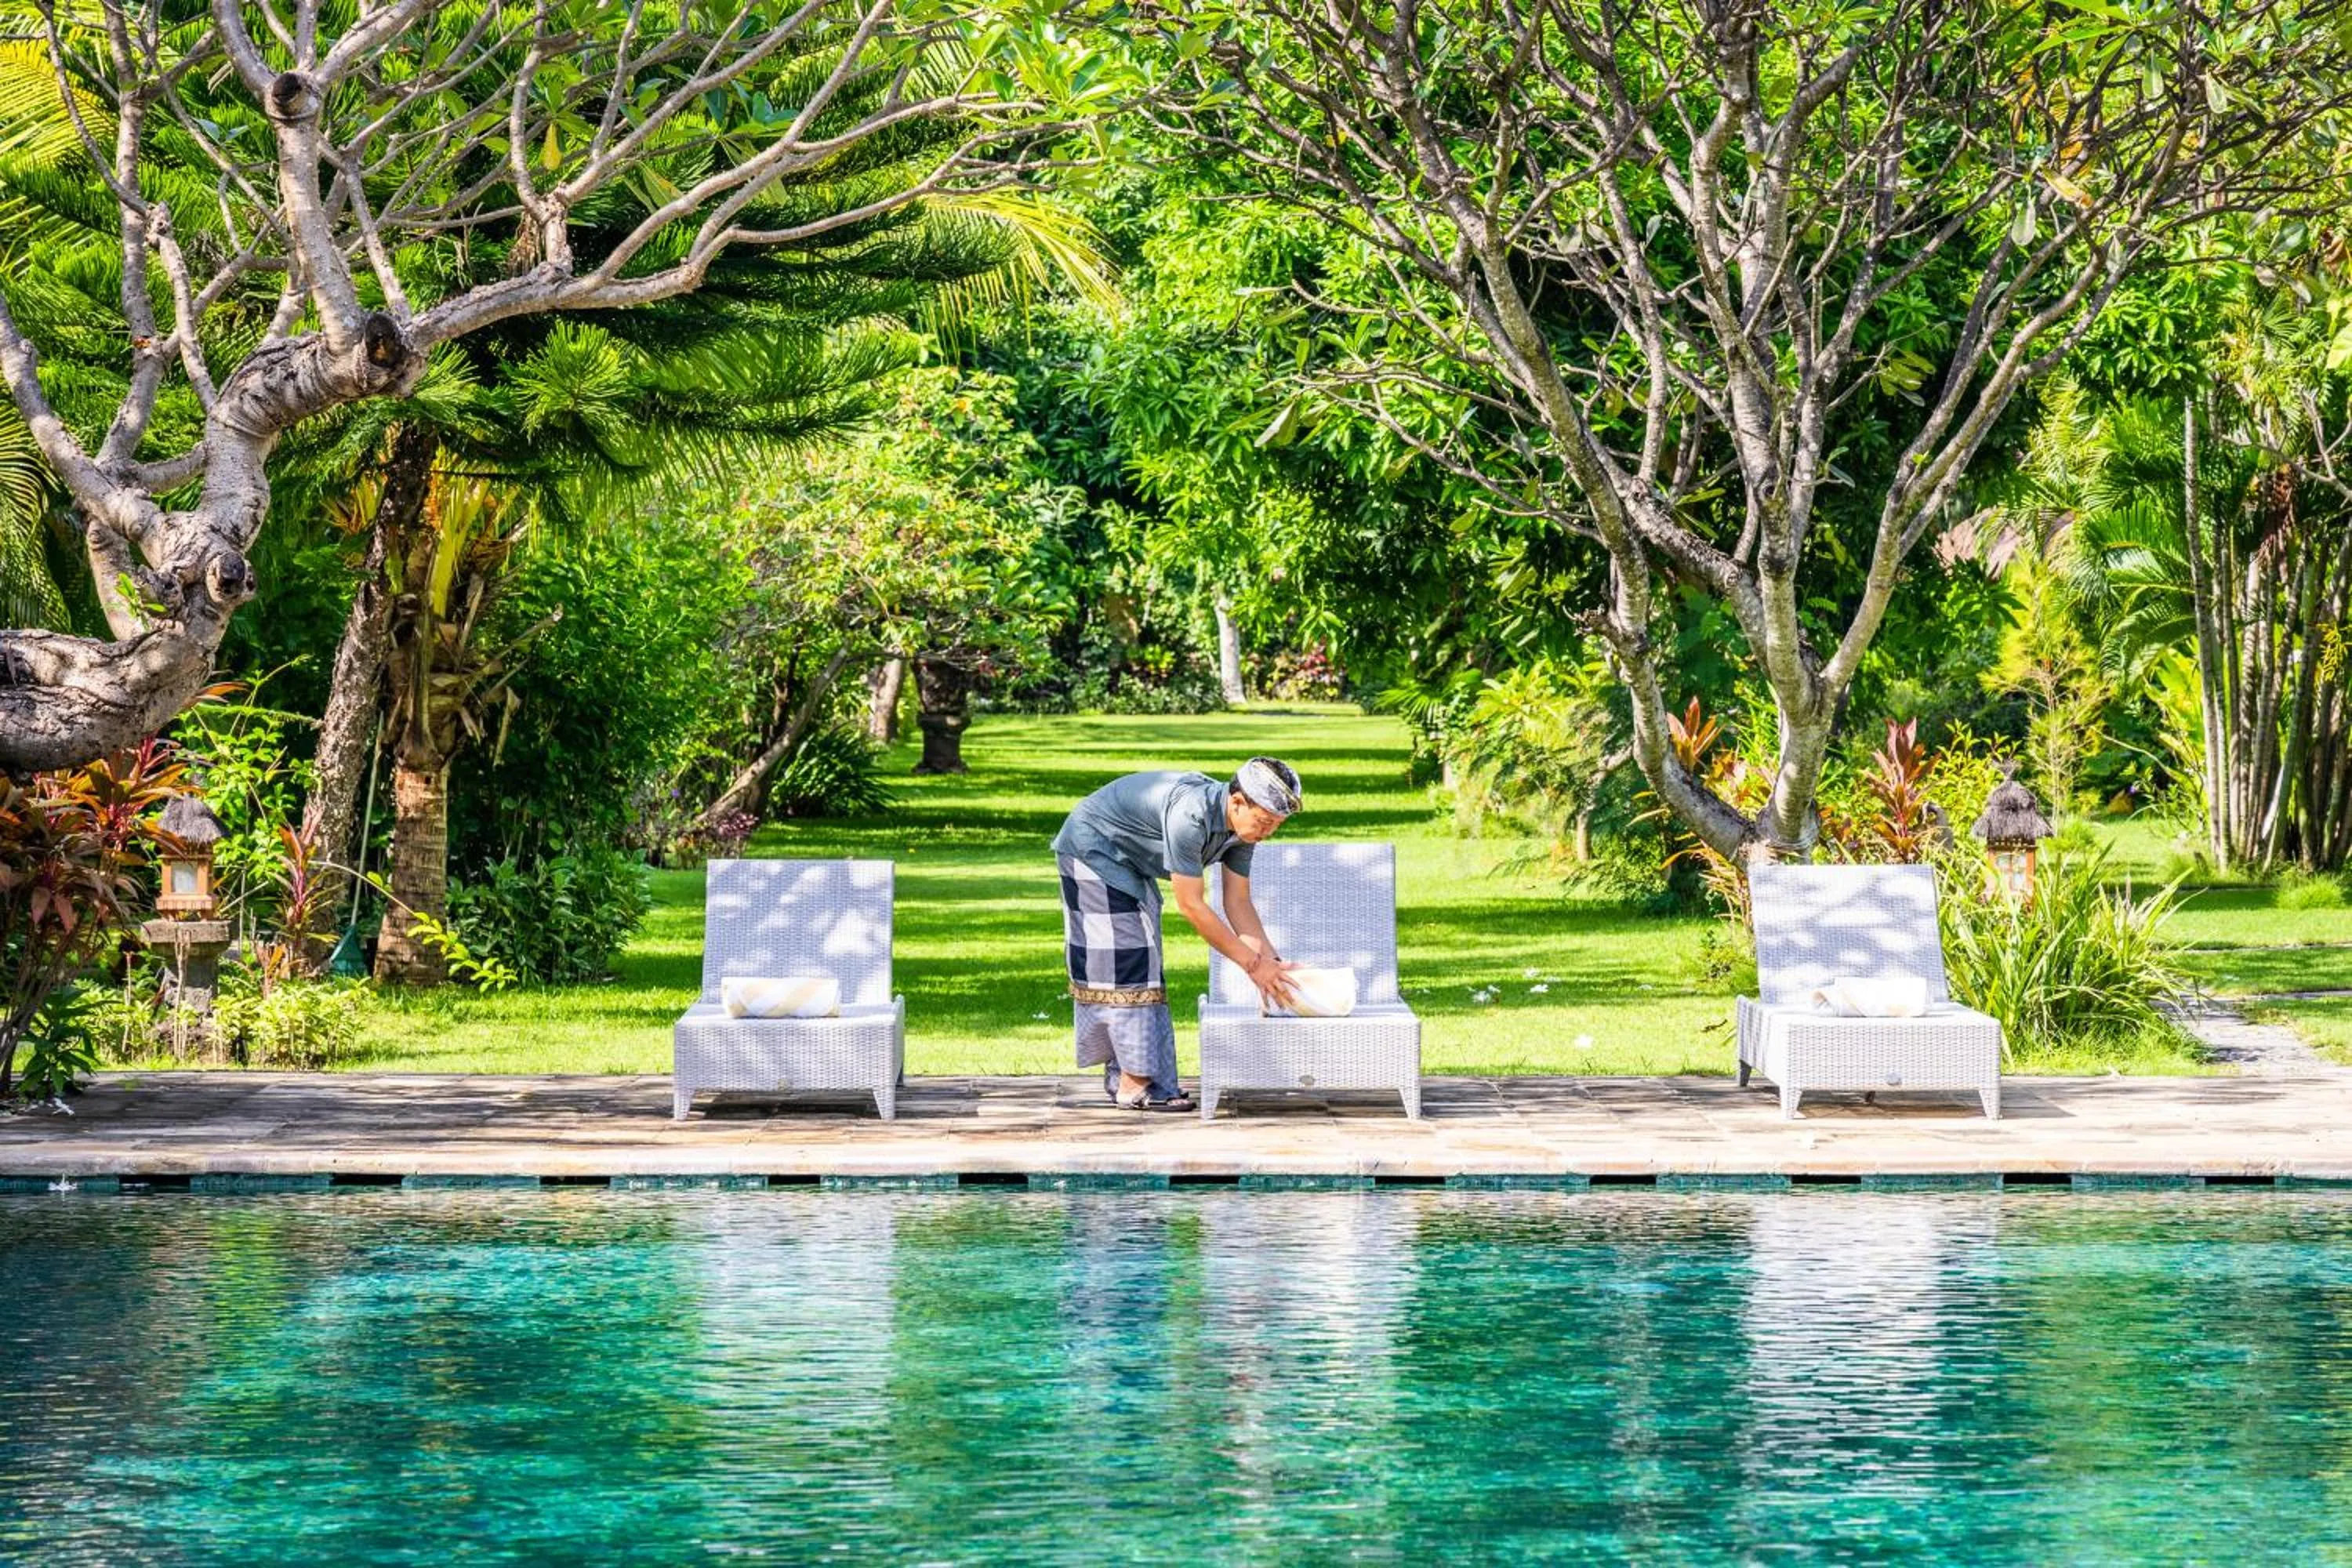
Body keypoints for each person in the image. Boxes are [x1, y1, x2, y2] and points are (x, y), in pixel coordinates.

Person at [1052, 757, 1304, 1111]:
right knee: (1130, 961)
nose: (1268, 832)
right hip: (1093, 849)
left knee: (1140, 957)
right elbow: (1192, 906)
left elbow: (1238, 902)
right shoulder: (1192, 815)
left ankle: (1135, 1077)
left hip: (1130, 860)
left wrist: (1272, 967)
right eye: (1265, 822)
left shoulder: (1241, 832)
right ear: (1237, 802)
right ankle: (1134, 1084)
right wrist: (1252, 965)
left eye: (1277, 825)